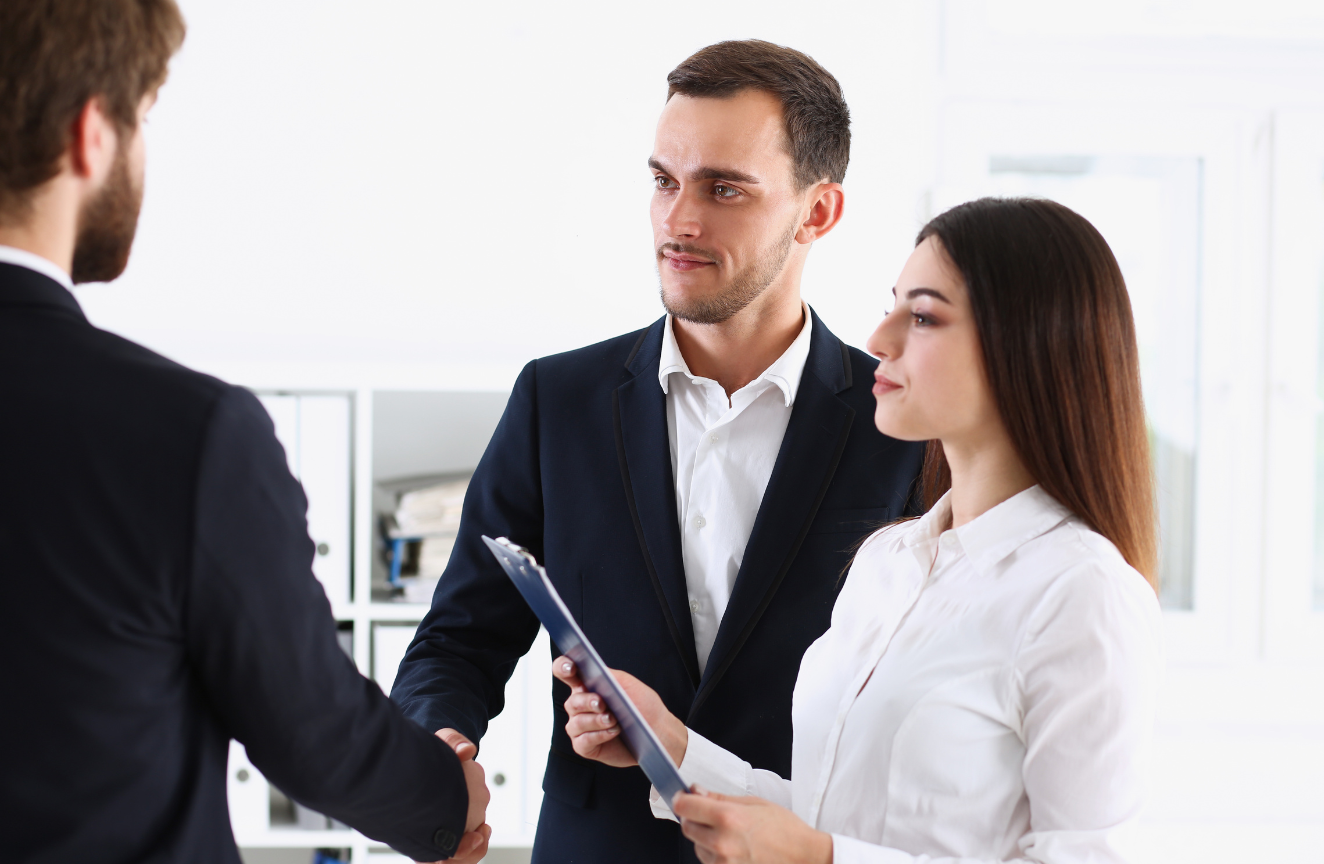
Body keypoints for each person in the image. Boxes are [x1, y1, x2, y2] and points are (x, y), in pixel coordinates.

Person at [390, 40, 926, 864]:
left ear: (817, 212)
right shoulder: (556, 401)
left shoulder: (900, 424)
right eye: (664, 181)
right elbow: (459, 637)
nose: (680, 219)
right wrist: (445, 747)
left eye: (724, 189)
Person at [0, 2, 489, 862]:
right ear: (90, 136)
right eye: (141, 117)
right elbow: (314, 732)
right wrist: (444, 801)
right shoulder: (181, 435)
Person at [559, 197, 1164, 864]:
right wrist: (669, 745)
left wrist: (821, 859)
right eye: (893, 305)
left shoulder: (1082, 594)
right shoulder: (890, 559)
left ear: (1029, 345)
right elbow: (830, 817)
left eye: (925, 316)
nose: (879, 340)